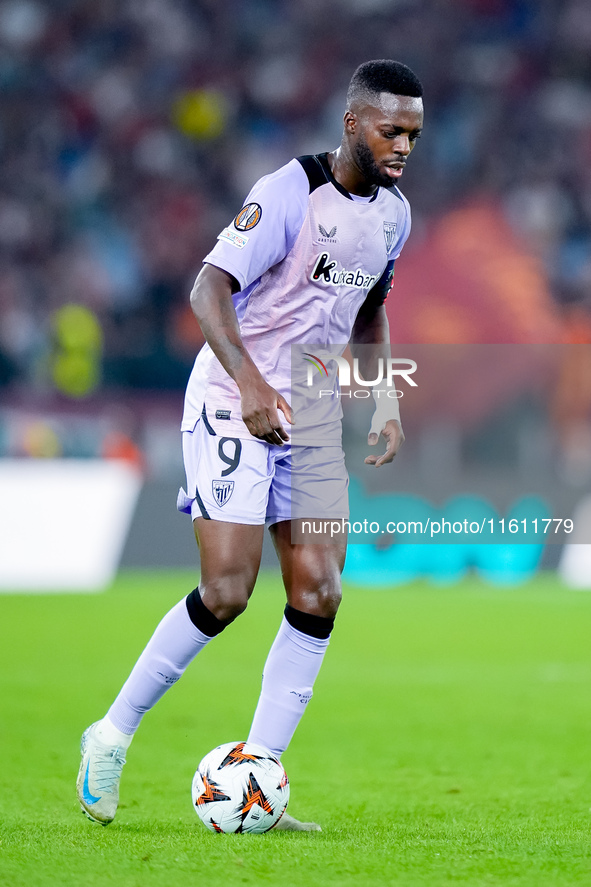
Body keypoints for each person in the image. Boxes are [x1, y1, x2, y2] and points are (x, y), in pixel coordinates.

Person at [76, 59, 424, 831]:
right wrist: (252, 386)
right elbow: (207, 290)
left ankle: (258, 779)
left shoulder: (394, 216)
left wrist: (385, 398)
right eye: (389, 129)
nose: (402, 145)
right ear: (352, 124)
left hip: (309, 409)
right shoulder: (286, 193)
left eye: (412, 134)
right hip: (234, 400)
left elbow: (369, 313)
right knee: (228, 590)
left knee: (320, 590)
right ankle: (110, 732)